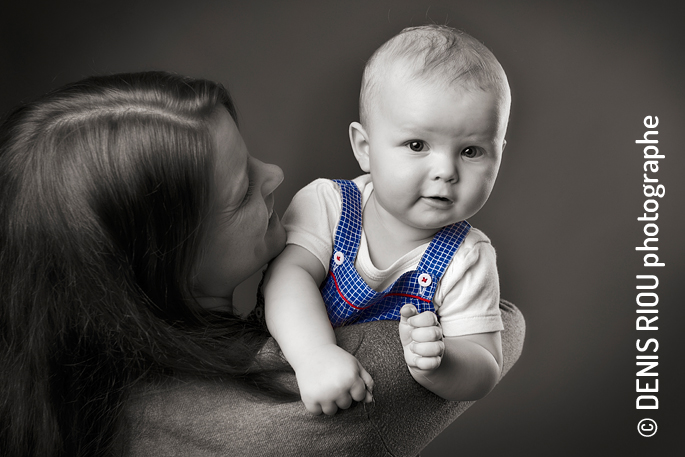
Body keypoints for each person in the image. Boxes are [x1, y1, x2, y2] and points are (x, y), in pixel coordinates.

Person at [0, 71, 524, 457]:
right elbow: (509, 325)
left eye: (252, 159)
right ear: (170, 263)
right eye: (242, 192)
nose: (273, 173)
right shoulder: (314, 391)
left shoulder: (63, 401)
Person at [264, 25, 511, 415]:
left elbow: (485, 366)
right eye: (417, 145)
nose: (446, 170)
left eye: (471, 150)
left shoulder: (468, 259)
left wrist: (442, 363)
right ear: (365, 148)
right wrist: (315, 354)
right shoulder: (328, 204)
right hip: (270, 387)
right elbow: (284, 279)